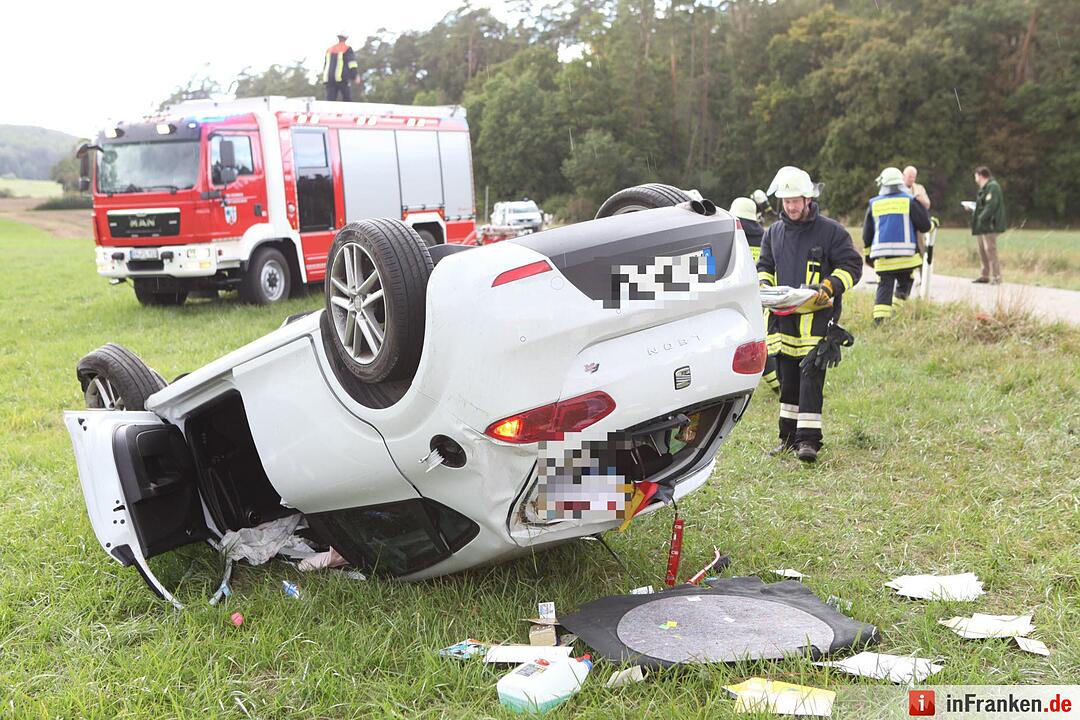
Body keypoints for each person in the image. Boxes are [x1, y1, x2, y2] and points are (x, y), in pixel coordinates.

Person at [757, 167, 863, 463]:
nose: (791, 206)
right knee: (787, 379)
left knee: (811, 378)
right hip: (785, 318)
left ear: (808, 199)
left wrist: (830, 285)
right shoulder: (774, 233)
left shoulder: (831, 231)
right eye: (786, 201)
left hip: (818, 320)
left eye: (796, 200)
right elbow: (764, 265)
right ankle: (788, 438)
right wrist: (764, 285)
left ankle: (809, 441)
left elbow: (852, 266)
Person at [863, 167, 932, 324]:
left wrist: (867, 256)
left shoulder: (874, 204)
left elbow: (867, 234)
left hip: (883, 259)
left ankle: (879, 320)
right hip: (906, 259)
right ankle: (895, 309)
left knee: (884, 286)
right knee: (906, 281)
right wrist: (932, 224)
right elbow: (925, 226)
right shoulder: (910, 201)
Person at [730, 197, 779, 394]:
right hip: (760, 300)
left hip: (733, 301)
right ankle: (779, 385)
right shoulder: (765, 237)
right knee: (760, 342)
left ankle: (778, 385)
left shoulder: (730, 237)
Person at [970, 166, 1006, 284]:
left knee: (990, 250)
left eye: (976, 175)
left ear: (980, 175)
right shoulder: (984, 188)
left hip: (990, 224)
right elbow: (982, 205)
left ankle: (997, 277)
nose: (975, 178)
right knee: (982, 250)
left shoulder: (992, 187)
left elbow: (991, 206)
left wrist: (981, 217)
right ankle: (984, 275)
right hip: (982, 225)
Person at [322, 32, 360, 102]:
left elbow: (325, 64)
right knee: (347, 99)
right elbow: (352, 63)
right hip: (341, 78)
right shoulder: (347, 48)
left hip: (329, 78)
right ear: (346, 38)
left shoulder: (330, 49)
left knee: (330, 100)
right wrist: (355, 76)